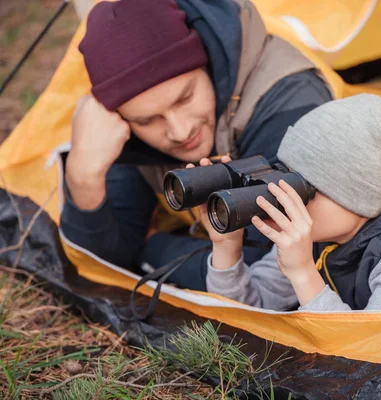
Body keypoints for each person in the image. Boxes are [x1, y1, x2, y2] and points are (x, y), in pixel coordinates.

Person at [60, 0, 333, 290]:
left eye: (185, 97)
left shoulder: (288, 103)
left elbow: (278, 270)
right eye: (148, 120)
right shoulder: (125, 129)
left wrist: (153, 248)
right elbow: (101, 265)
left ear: (208, 63)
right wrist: (82, 177)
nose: (180, 131)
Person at [202, 94, 381, 311]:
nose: (290, 197)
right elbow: (251, 310)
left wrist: (304, 275)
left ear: (356, 196)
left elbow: (379, 358)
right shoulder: (316, 235)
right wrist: (227, 248)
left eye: (305, 188)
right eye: (286, 176)